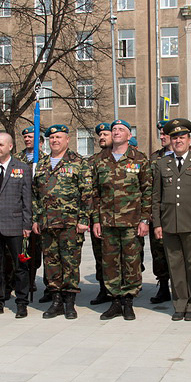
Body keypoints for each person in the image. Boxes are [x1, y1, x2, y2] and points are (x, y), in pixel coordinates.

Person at [153, 118, 191, 321]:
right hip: (170, 222)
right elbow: (156, 197)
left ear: (189, 140)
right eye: (175, 137)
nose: (178, 141)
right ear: (170, 140)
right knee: (175, 265)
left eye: (182, 137)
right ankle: (179, 304)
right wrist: (157, 224)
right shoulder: (162, 164)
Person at [91, 119, 152, 321]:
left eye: (120, 130)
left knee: (131, 262)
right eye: (114, 129)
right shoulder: (101, 160)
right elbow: (95, 193)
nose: (116, 132)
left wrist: (145, 220)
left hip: (132, 222)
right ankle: (115, 301)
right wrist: (96, 220)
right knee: (109, 262)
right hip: (107, 222)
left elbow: (148, 192)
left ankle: (128, 301)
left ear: (129, 135)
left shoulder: (140, 159)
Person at [32, 125, 92, 319]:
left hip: (70, 224)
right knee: (51, 263)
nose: (55, 141)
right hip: (47, 223)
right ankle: (56, 300)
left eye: (59, 137)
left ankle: (70, 302)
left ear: (67, 140)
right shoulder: (41, 164)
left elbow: (87, 193)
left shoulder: (79, 162)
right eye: (52, 138)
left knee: (71, 263)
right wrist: (35, 218)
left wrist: (83, 219)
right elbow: (34, 194)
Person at [0, 132, 32, 317]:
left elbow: (26, 199)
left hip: (15, 225)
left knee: (20, 266)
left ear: (10, 146)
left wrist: (27, 224)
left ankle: (21, 302)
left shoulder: (22, 168)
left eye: (0, 145)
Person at [18, 126, 47, 301]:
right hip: (21, 211)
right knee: (23, 248)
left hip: (41, 212)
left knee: (40, 250)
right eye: (26, 137)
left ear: (40, 142)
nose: (28, 139)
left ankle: (40, 280)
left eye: (32, 137)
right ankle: (25, 281)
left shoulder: (45, 160)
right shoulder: (17, 160)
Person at [89, 122, 115, 305]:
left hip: (120, 217)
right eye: (100, 135)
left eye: (106, 134)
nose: (102, 137)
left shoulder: (122, 157)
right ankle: (103, 289)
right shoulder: (93, 161)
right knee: (100, 255)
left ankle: (119, 290)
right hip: (98, 217)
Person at [148, 120, 173, 305]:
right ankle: (163, 287)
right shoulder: (155, 157)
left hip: (178, 213)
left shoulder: (188, 156)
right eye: (161, 134)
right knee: (159, 253)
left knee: (178, 253)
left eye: (165, 134)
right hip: (158, 213)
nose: (161, 137)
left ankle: (182, 288)